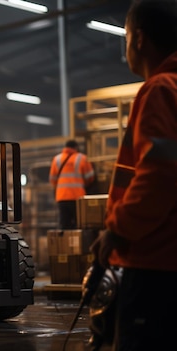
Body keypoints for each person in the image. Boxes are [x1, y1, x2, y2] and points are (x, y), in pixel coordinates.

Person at [89, 1, 177, 350]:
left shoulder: (160, 90)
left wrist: (117, 228)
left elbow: (160, 175)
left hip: (155, 260)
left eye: (125, 37)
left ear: (138, 39)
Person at [49, 139, 95, 229]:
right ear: (76, 147)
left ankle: (66, 242)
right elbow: (90, 177)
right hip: (77, 198)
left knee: (64, 225)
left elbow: (52, 180)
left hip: (61, 197)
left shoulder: (56, 159)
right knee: (80, 225)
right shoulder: (82, 158)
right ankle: (78, 242)